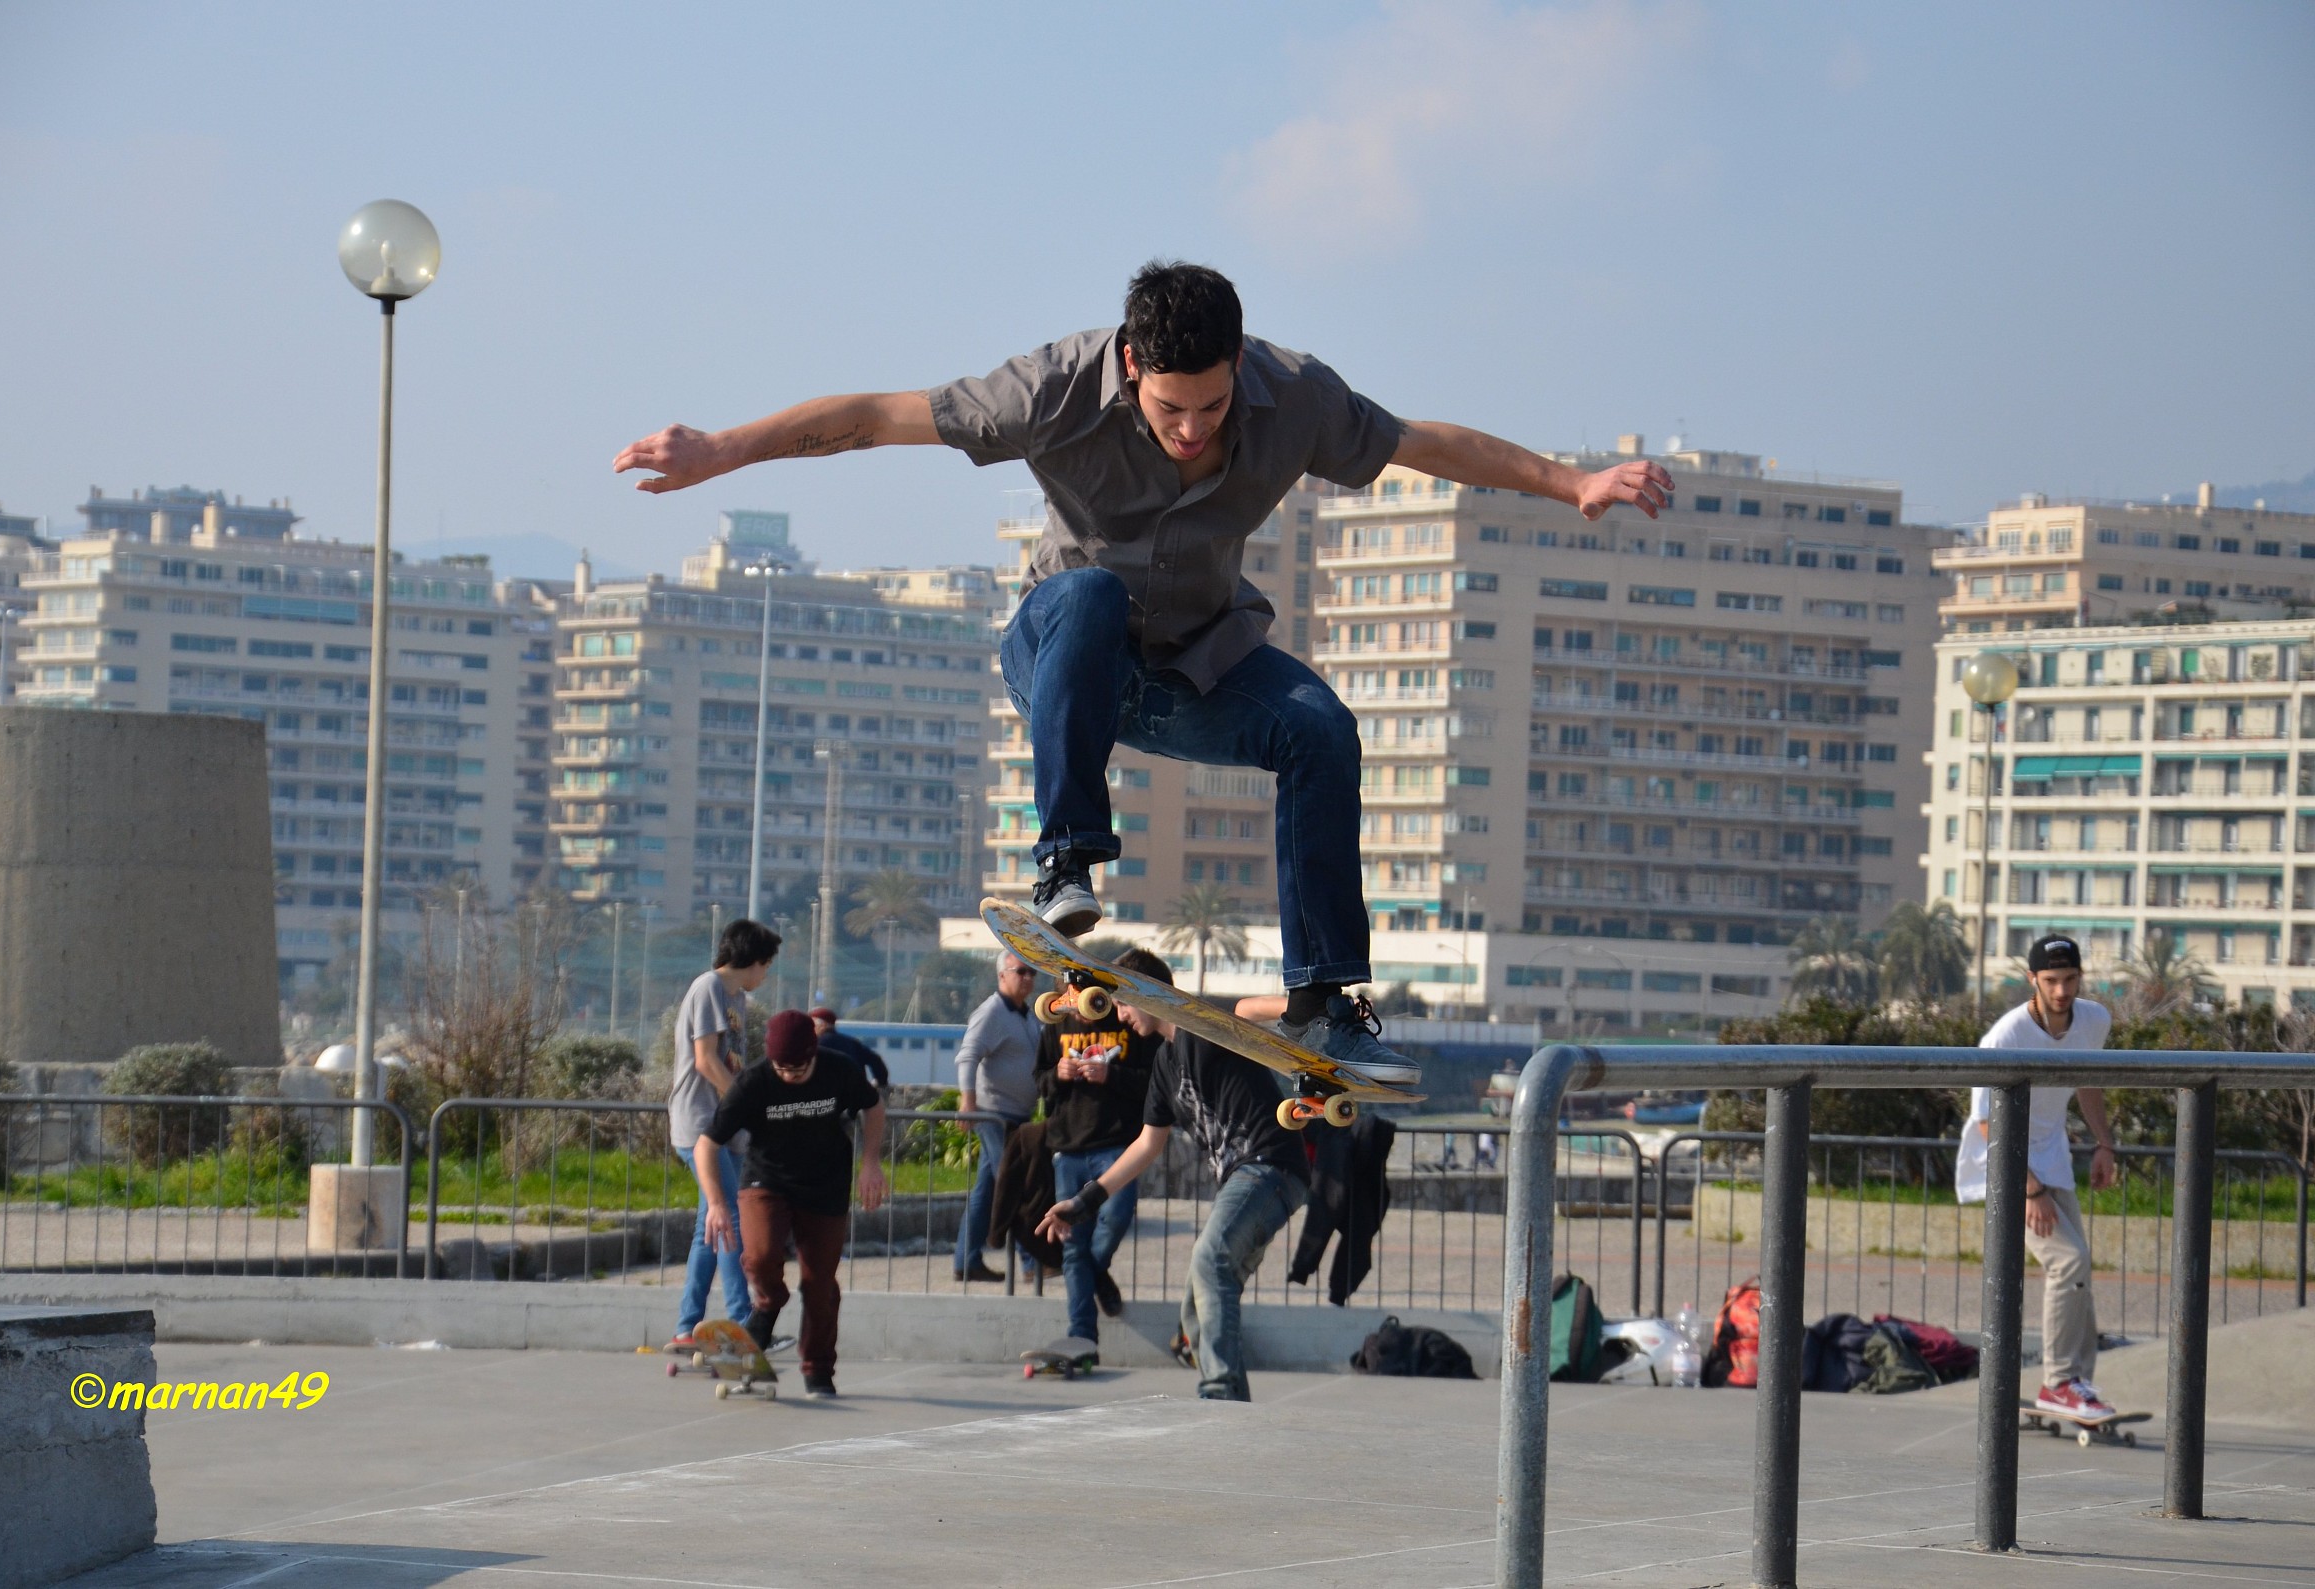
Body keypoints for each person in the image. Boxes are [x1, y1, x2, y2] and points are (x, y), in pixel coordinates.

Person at [615, 260, 1674, 1089]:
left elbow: (1420, 442)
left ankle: (1323, 1002)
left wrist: (1568, 479)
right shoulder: (1053, 388)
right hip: (1061, 654)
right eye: (1173, 410)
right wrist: (723, 451)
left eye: (1212, 409)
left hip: (1193, 664)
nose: (1194, 432)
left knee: (1320, 727)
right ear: (1132, 365)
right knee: (1089, 593)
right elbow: (876, 417)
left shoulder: (1292, 395)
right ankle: (1066, 861)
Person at [1037, 947, 1308, 1401]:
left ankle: (1219, 1392)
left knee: (1210, 1262)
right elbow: (1147, 1145)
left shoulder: (1200, 1022)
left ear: (1149, 993)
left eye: (1124, 1003)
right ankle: (1225, 1391)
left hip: (1268, 1164)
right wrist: (1084, 1201)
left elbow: (1243, 1011)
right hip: (1246, 1180)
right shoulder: (1163, 1066)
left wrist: (1311, 1011)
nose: (1121, 1016)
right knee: (1199, 1305)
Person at [1954, 933, 2121, 1420]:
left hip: (2052, 1158)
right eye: (2051, 981)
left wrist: (2103, 1142)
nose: (2062, 991)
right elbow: (1986, 1121)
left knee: (2080, 1269)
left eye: (2070, 980)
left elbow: (2088, 1079)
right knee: (2067, 1263)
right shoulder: (2006, 1036)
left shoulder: (2094, 1020)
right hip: (2003, 1163)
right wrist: (2030, 1189)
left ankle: (2078, 1385)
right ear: (2032, 981)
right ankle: (2059, 1382)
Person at [699, 1010, 888, 1398]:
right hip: (766, 1180)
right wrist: (716, 1203)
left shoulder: (840, 1070)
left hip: (826, 1185)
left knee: (820, 1284)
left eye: (798, 1069)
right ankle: (767, 1306)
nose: (789, 1076)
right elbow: (707, 1145)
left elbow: (874, 1106)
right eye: (782, 1069)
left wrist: (871, 1162)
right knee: (761, 1254)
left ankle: (818, 1370)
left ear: (814, 1052)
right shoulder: (753, 1082)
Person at [665, 917, 780, 1350]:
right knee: (731, 1218)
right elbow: (706, 1061)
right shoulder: (709, 988)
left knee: (708, 1229)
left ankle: (685, 1328)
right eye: (766, 966)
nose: (765, 976)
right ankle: (744, 1320)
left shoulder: (738, 999)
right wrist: (744, 1104)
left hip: (725, 1127)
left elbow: (731, 1062)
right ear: (752, 960)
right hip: (700, 1124)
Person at [1034, 985, 1153, 1350]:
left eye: (1087, 1006)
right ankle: (1082, 1333)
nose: (1081, 1015)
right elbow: (1039, 1082)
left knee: (1116, 1217)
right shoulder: (1053, 1026)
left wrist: (1110, 1076)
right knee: (1073, 1246)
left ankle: (1097, 1272)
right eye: (1073, 1007)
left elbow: (1153, 1083)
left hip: (1117, 1144)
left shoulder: (1127, 1019)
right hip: (1067, 1146)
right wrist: (1059, 1074)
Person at [952, 951, 1042, 1284]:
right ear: (1002, 975)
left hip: (1017, 1115)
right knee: (1016, 1185)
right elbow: (968, 1056)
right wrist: (967, 1102)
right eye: (1021, 971)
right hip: (995, 1116)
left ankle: (966, 1261)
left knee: (987, 1191)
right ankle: (1032, 1261)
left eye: (1032, 972)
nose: (1028, 978)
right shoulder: (991, 1012)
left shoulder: (1025, 1015)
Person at [811, 1007, 889, 1094]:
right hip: (855, 1092)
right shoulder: (852, 1043)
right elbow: (875, 1060)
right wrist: (881, 1082)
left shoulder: (814, 1045)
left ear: (822, 1025)